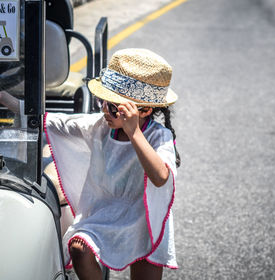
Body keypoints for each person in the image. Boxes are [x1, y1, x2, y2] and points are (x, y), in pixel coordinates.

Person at [44, 48, 180, 280]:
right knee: (79, 249)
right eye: (102, 101)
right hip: (105, 214)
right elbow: (57, 122)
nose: (105, 110)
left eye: (114, 106)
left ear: (144, 110)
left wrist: (134, 132)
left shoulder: (159, 137)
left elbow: (160, 177)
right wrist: (9, 101)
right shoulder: (100, 126)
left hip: (144, 221)